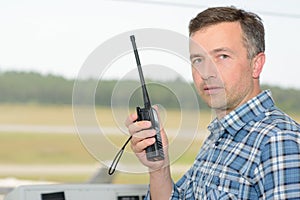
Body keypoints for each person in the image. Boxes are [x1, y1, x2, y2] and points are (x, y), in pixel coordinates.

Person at [125, 6, 300, 199]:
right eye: (198, 60)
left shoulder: (278, 140)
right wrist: (159, 168)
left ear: (256, 64)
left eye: (222, 56)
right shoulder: (218, 137)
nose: (206, 72)